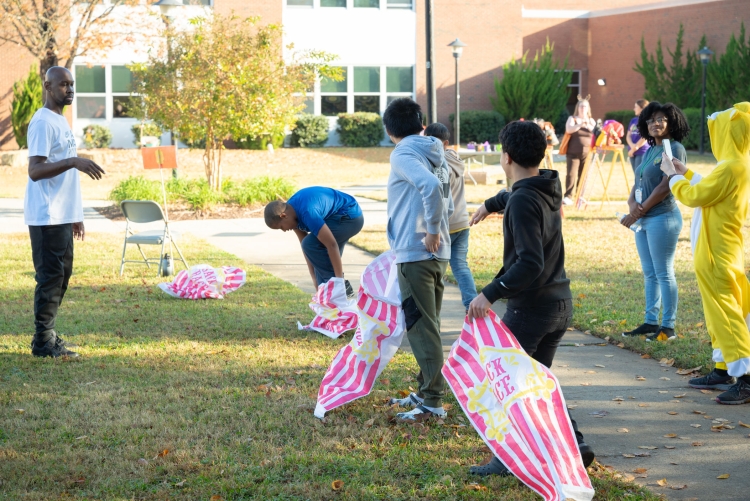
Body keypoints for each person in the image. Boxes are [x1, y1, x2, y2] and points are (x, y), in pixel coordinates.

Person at [466, 120, 594, 476]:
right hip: (559, 304)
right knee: (536, 382)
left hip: (533, 308)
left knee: (506, 380)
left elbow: (530, 263)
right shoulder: (546, 186)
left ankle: (505, 459)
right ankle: (576, 443)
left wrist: (488, 294)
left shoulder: (524, 199)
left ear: (506, 157)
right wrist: (491, 203)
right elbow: (515, 197)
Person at [661, 102, 750, 404]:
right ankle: (724, 368)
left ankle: (746, 379)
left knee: (725, 315)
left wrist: (673, 178)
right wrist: (685, 171)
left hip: (715, 254)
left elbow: (697, 196)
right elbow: (711, 190)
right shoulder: (739, 164)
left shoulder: (729, 167)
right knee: (722, 313)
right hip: (726, 250)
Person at [26, 66, 106, 358]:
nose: (69, 90)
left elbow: (65, 176)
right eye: (63, 85)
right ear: (48, 86)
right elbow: (35, 170)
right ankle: (43, 341)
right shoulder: (43, 122)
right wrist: (74, 161)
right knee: (50, 276)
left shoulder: (60, 120)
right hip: (47, 215)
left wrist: (76, 215)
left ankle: (48, 336)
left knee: (62, 275)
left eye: (72, 85)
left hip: (62, 214)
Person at [382, 98, 453, 422]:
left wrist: (431, 231)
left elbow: (428, 187)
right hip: (438, 254)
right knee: (430, 325)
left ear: (389, 130)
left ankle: (432, 403)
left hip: (416, 252)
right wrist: (438, 233)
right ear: (420, 122)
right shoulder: (435, 151)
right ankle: (427, 388)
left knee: (421, 328)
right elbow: (444, 194)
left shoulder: (403, 153)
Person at [620, 102, 688, 341]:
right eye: (650, 120)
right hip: (644, 220)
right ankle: (651, 322)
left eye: (660, 119)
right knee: (649, 273)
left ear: (671, 122)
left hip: (663, 218)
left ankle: (668, 327)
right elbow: (638, 180)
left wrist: (637, 213)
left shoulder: (673, 148)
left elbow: (665, 186)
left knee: (664, 273)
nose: (654, 124)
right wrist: (631, 203)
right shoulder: (650, 150)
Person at [264, 187, 364, 295]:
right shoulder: (291, 213)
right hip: (335, 218)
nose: (284, 230)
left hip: (349, 217)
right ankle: (333, 301)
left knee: (311, 245)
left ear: (283, 216)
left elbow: (331, 245)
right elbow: (307, 250)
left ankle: (341, 289)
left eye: (281, 227)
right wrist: (314, 279)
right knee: (320, 275)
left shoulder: (308, 212)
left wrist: (339, 281)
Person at [423, 122, 477, 312]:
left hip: (444, 226)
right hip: (462, 222)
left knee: (431, 271)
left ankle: (429, 311)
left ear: (444, 143)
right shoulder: (456, 158)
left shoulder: (435, 163)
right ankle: (472, 306)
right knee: (461, 267)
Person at [563, 96, 596, 205]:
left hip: (587, 152)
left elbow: (595, 132)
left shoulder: (591, 120)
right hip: (573, 152)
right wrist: (580, 124)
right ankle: (568, 196)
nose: (583, 108)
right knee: (571, 174)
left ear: (588, 108)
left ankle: (580, 196)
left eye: (585, 106)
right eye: (581, 106)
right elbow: (569, 129)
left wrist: (588, 124)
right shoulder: (572, 119)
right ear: (578, 107)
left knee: (583, 175)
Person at [626, 99, 650, 174]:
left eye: (636, 107)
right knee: (636, 175)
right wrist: (632, 146)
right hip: (632, 151)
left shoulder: (648, 121)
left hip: (642, 151)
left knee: (639, 175)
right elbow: (628, 135)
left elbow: (645, 137)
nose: (634, 109)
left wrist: (635, 147)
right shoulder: (633, 120)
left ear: (642, 108)